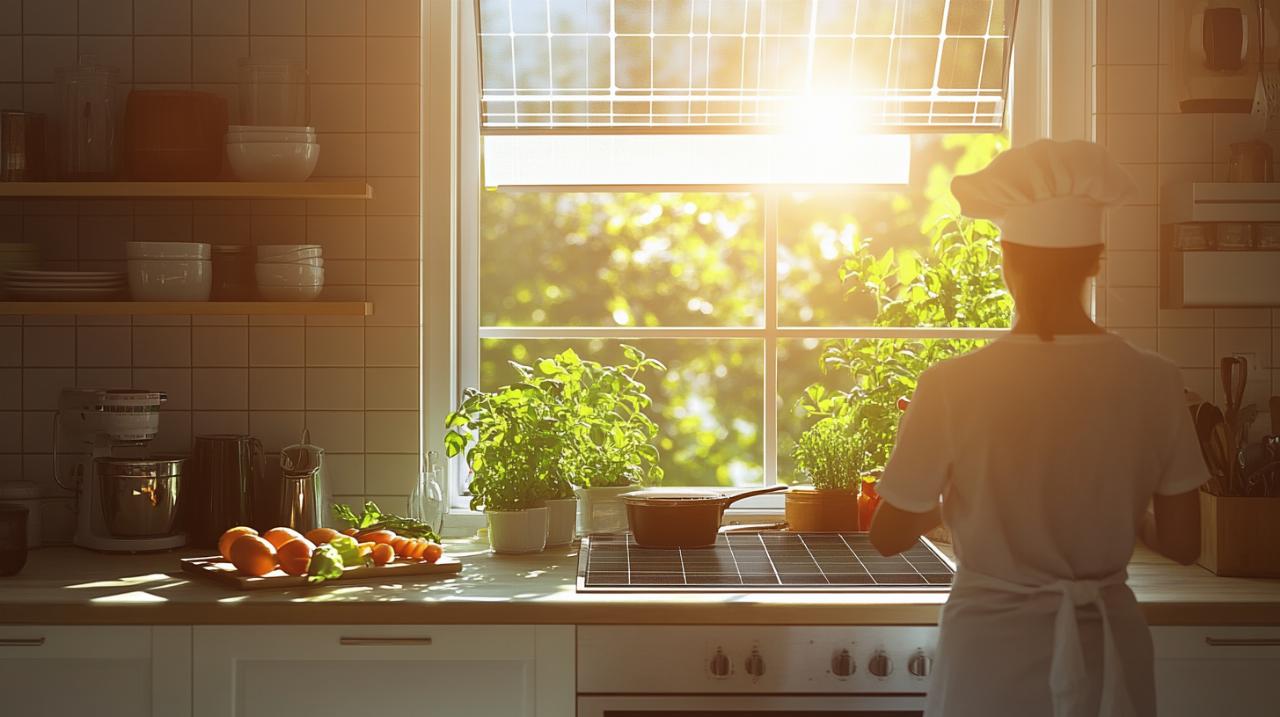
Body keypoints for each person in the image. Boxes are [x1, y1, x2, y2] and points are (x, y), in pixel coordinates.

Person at [868, 139, 1207, 717]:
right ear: (1096, 260)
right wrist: (1111, 505)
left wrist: (957, 493)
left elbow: (888, 534)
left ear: (1007, 260)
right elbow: (1183, 542)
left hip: (988, 658)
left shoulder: (954, 385)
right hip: (1107, 651)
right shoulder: (1156, 381)